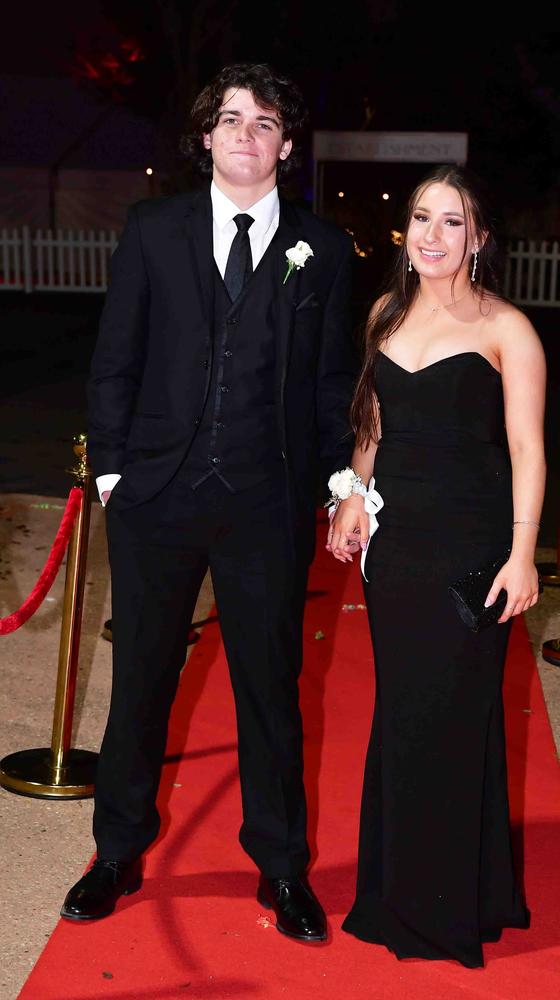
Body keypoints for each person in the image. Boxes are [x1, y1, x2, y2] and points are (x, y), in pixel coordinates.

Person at [60, 62, 357, 942]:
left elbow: (333, 382)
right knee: (141, 681)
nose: (245, 134)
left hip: (267, 502)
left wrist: (341, 483)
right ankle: (115, 852)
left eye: (264, 123)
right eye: (230, 119)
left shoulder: (325, 250)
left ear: (287, 146)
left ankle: (280, 868)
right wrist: (113, 473)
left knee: (271, 690)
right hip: (157, 493)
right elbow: (117, 355)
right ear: (205, 136)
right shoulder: (154, 229)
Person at [327, 165, 546, 966]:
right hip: (399, 551)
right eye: (422, 218)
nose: (432, 235)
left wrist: (523, 556)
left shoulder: (506, 328)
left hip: (471, 548)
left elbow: (527, 449)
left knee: (455, 718)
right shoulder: (387, 312)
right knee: (405, 713)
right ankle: (402, 891)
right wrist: (354, 496)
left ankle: (452, 907)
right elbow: (375, 424)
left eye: (452, 222)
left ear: (479, 238)